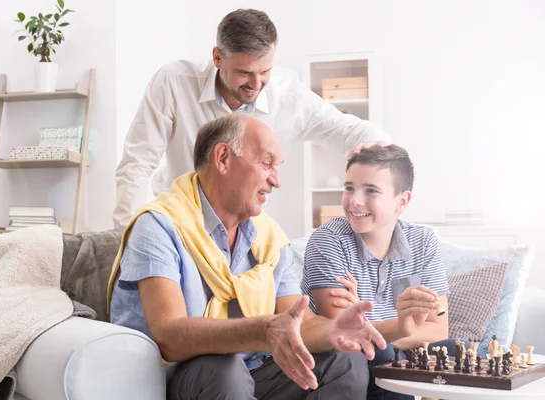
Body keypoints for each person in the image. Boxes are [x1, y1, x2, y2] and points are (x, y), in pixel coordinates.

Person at [107, 114, 402, 399]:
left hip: (249, 373)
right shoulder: (158, 226)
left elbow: (296, 320)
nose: (276, 181)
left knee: (341, 359)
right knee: (223, 367)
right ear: (222, 158)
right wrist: (264, 329)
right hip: (168, 378)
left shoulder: (270, 238)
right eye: (267, 163)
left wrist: (332, 329)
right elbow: (169, 337)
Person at [113, 8, 390, 227]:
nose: (256, 84)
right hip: (178, 220)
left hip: (243, 230)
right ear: (218, 58)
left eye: (265, 71)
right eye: (245, 73)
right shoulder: (174, 82)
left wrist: (372, 147)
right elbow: (137, 164)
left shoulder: (289, 97)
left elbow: (349, 130)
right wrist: (131, 234)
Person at [301, 145, 466, 400]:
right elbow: (347, 334)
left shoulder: (423, 241)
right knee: (383, 355)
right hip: (347, 360)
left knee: (459, 350)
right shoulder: (328, 241)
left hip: (393, 350)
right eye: (349, 188)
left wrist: (389, 331)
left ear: (402, 201)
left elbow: (437, 329)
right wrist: (404, 327)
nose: (354, 200)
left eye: (371, 191)